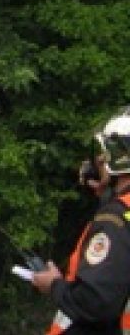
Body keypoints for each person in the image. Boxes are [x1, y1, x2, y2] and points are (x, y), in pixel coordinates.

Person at [33, 112, 130, 334]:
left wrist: (54, 286)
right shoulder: (118, 213)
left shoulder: (114, 220)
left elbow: (95, 302)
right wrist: (107, 195)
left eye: (105, 153)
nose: (99, 161)